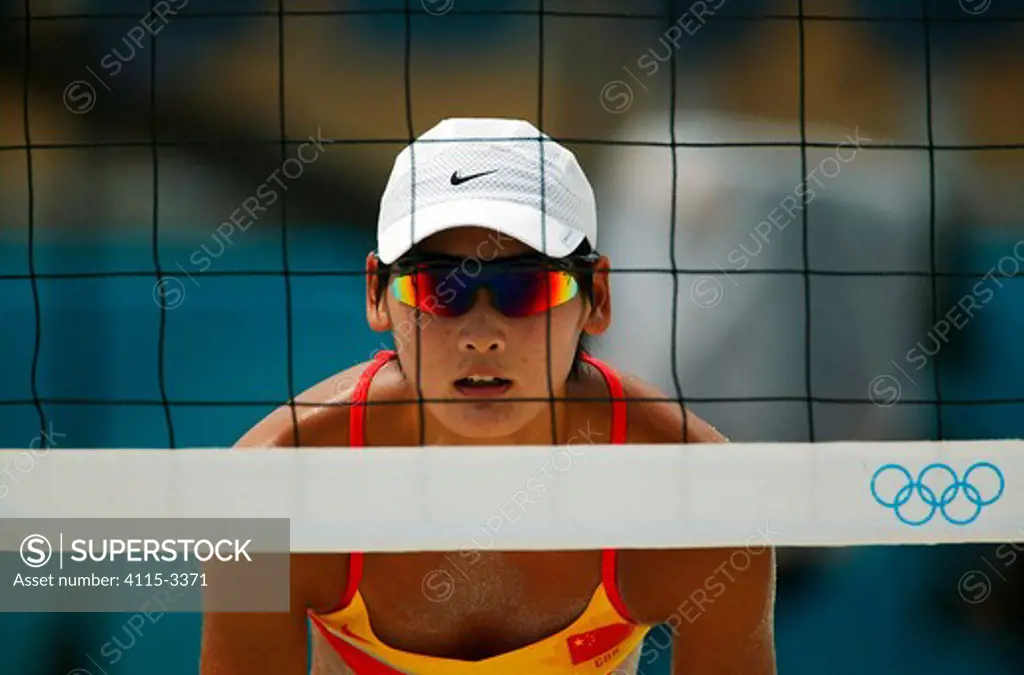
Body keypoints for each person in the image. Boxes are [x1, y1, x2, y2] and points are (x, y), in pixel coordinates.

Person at [200, 118, 776, 675]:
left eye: (526, 284)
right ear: (377, 294)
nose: (481, 332)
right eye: (437, 286)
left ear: (596, 298)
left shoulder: (702, 504)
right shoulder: (272, 491)